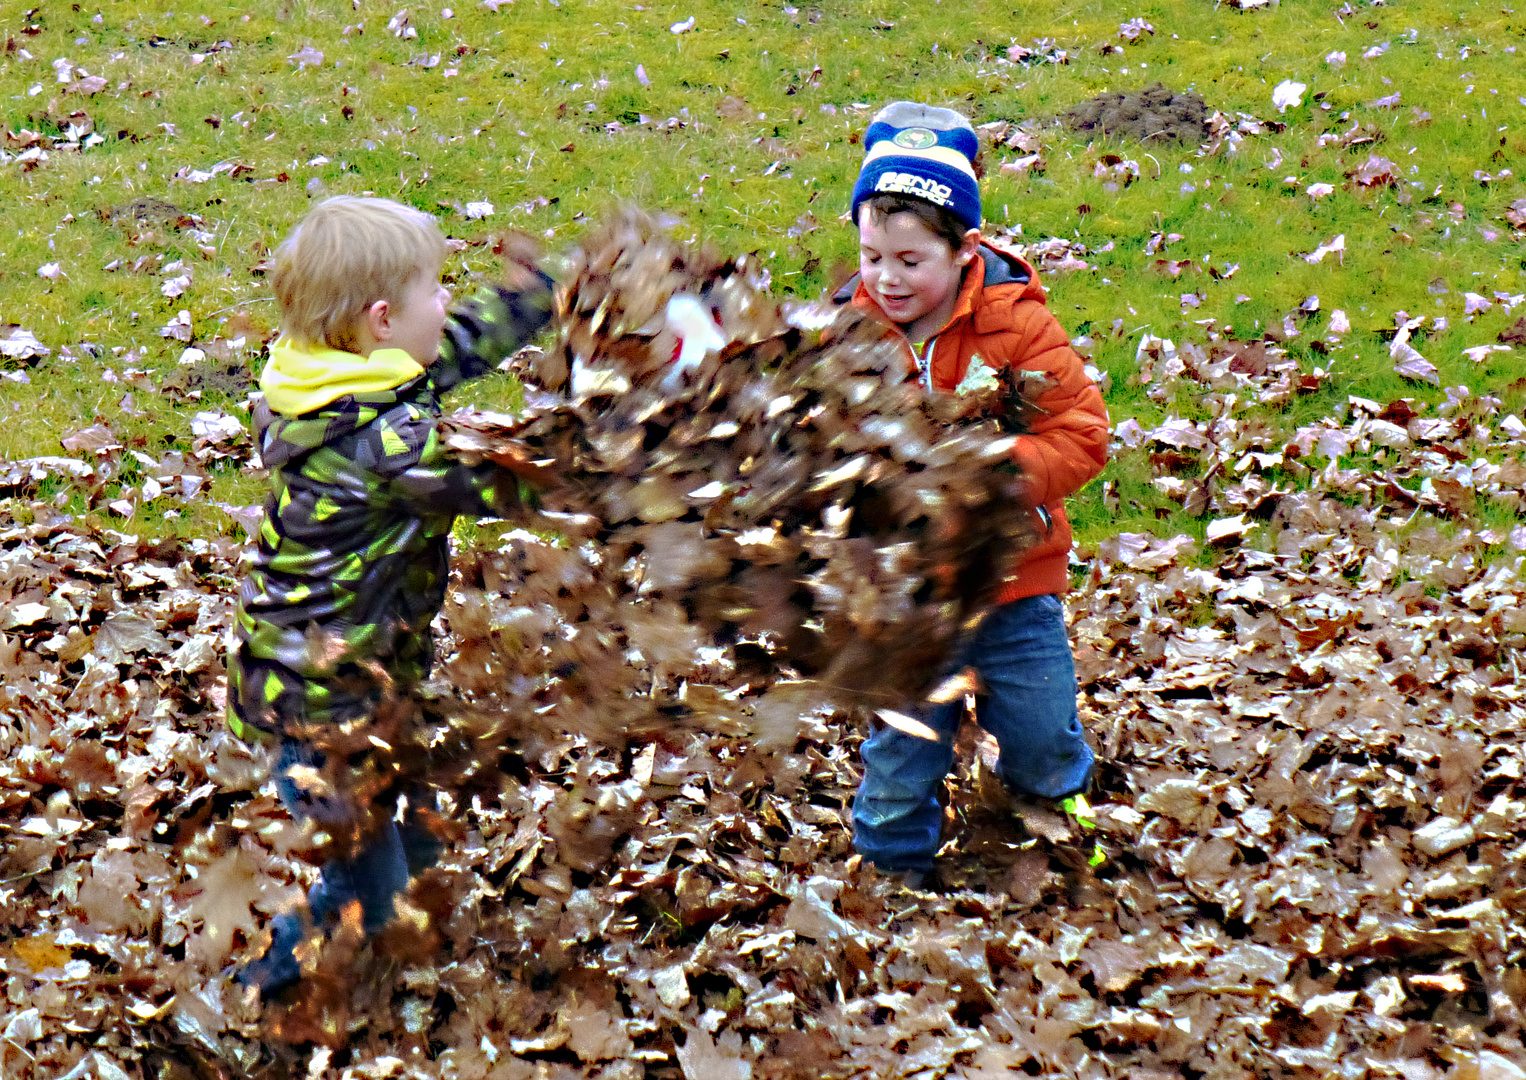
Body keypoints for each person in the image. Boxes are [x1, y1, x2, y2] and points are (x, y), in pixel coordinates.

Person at [227, 195, 554, 993]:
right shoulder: (383, 440)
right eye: (435, 289)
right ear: (382, 319)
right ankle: (267, 991)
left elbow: (458, 343)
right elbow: (509, 480)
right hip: (322, 707)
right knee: (361, 890)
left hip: (354, 679)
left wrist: (542, 295)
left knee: (403, 818)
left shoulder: (339, 376)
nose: (448, 301)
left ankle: (399, 911)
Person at [837, 103, 1110, 885]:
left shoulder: (1015, 329)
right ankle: (890, 885)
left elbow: (1081, 435)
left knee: (1039, 736)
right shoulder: (847, 339)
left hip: (1013, 584)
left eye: (910, 260)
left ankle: (1061, 848)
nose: (886, 279)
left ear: (964, 250)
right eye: (871, 255)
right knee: (899, 757)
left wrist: (988, 478)